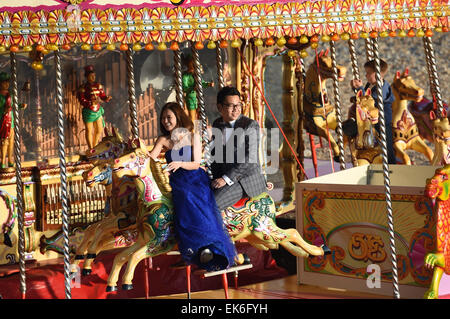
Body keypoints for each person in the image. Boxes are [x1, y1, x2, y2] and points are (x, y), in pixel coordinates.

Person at [149, 102, 237, 271]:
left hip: (195, 179)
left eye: (169, 117)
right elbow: (151, 158)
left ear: (178, 117)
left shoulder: (192, 136)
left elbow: (196, 164)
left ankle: (211, 247)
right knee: (179, 202)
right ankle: (192, 249)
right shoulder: (163, 140)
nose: (165, 121)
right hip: (177, 181)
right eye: (163, 118)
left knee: (190, 198)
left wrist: (180, 163)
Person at [210, 86, 267, 211]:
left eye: (238, 105)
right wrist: (211, 176)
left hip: (245, 180)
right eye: (231, 105)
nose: (236, 109)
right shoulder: (217, 124)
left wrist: (225, 179)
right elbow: (216, 155)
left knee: (213, 203)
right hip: (226, 176)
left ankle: (216, 231)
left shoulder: (250, 125)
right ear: (220, 107)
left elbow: (249, 158)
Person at [350, 59, 396, 164]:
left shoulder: (382, 87)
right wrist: (357, 89)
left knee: (386, 144)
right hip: (371, 119)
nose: (366, 75)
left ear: (377, 73)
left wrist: (359, 88)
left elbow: (370, 101)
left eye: (368, 73)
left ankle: (391, 163)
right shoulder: (371, 85)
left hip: (382, 120)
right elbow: (364, 98)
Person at [77, 65, 112, 151]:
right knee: (89, 130)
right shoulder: (83, 87)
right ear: (87, 77)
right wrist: (89, 103)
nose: (93, 77)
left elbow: (102, 95)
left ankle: (95, 146)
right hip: (89, 112)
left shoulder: (98, 85)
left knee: (99, 129)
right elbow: (81, 100)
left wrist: (106, 98)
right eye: (91, 76)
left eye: (94, 75)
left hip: (97, 110)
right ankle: (90, 148)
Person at [0, 72, 27, 169]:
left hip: (11, 122)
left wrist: (20, 106)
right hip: (3, 122)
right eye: (4, 82)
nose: (6, 84)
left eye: (7, 82)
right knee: (4, 142)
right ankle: (2, 161)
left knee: (11, 141)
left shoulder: (10, 95)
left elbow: (13, 106)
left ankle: (10, 160)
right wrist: (4, 110)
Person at [182, 54, 214, 123]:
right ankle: (193, 131)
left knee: (198, 115)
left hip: (198, 98)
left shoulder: (196, 75)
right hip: (191, 98)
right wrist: (193, 88)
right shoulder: (186, 77)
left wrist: (208, 84)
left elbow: (201, 83)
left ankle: (198, 131)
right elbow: (185, 88)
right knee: (192, 116)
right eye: (192, 64)